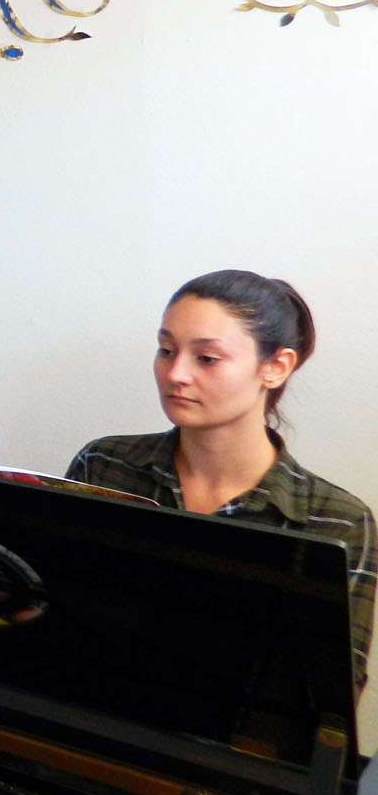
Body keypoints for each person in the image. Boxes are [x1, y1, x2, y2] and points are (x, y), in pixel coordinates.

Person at [65, 270, 376, 690]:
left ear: (276, 367)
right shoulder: (105, 465)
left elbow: (327, 698)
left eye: (207, 358)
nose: (176, 373)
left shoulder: (338, 521)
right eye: (166, 350)